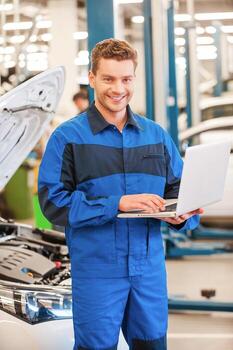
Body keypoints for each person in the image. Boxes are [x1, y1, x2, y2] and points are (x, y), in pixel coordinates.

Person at [38, 38, 203, 350]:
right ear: (91, 78)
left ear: (134, 79)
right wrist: (117, 204)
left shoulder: (156, 136)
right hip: (97, 271)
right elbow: (53, 202)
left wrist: (182, 215)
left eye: (126, 79)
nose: (118, 89)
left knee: (152, 345)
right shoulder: (68, 138)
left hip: (149, 269)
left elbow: (177, 188)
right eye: (108, 79)